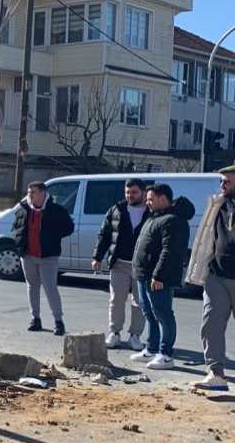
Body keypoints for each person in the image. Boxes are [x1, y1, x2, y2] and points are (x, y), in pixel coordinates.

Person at [130, 184, 194, 371]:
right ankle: (151, 348)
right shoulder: (155, 217)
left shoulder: (174, 220)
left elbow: (170, 251)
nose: (147, 203)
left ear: (163, 198)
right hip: (143, 275)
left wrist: (159, 275)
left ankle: (166, 354)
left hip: (158, 278)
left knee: (163, 315)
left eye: (150, 199)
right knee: (149, 313)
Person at [191, 166, 235, 390]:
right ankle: (216, 373)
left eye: (226, 181)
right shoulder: (218, 204)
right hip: (217, 274)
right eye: (221, 181)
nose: (222, 185)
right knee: (211, 324)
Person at [92, 178, 149, 350]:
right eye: (127, 192)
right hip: (119, 263)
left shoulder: (151, 211)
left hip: (141, 265)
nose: (130, 195)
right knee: (116, 300)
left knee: (139, 302)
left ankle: (135, 335)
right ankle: (114, 332)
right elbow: (104, 234)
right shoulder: (116, 210)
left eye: (134, 192)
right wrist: (97, 257)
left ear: (143, 193)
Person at [11, 181, 74, 336]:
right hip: (28, 255)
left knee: (50, 287)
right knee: (32, 286)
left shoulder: (56, 210)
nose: (29, 195)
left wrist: (52, 238)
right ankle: (35, 319)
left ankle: (58, 322)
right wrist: (20, 244)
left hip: (48, 256)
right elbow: (15, 227)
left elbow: (69, 228)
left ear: (42, 193)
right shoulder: (23, 209)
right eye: (28, 192)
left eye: (32, 192)